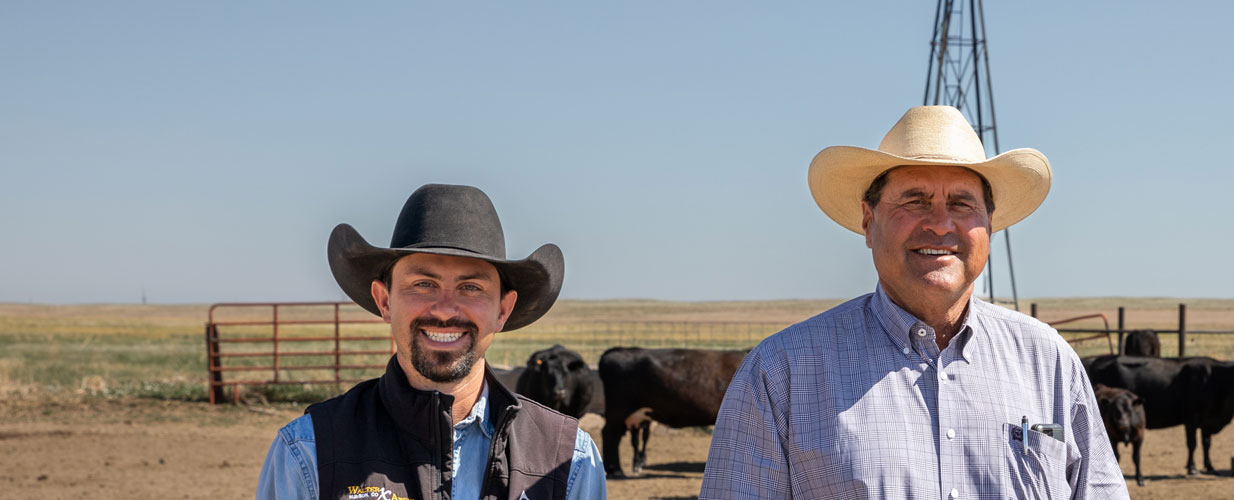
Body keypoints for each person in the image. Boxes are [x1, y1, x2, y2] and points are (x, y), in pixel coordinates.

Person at [700, 106, 1128, 499]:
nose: (940, 224)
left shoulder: (1047, 361)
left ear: (989, 226)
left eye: (962, 203)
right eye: (914, 200)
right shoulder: (782, 373)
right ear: (869, 222)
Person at [255, 184, 606, 500]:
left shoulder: (569, 458)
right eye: (423, 284)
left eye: (472, 287)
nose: (445, 310)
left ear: (503, 309)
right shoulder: (308, 452)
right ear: (385, 301)